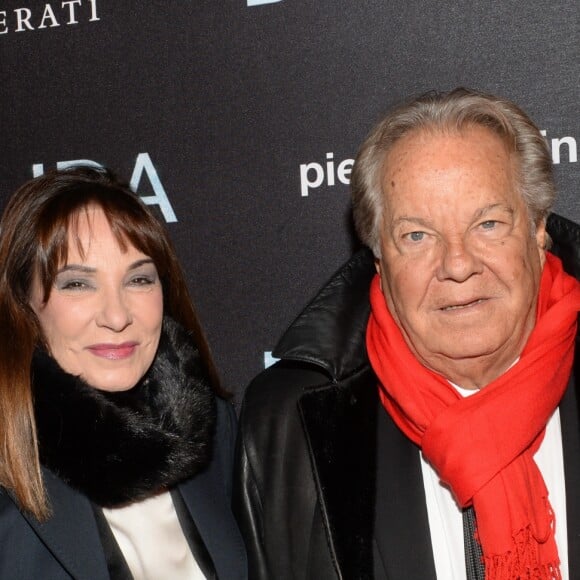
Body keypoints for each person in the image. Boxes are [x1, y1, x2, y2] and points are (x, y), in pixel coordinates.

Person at [234, 88, 580, 579]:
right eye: (416, 236)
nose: (457, 264)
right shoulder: (291, 422)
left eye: (487, 223)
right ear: (380, 259)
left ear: (538, 232)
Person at [0, 166, 247, 579]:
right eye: (77, 284)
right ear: (23, 306)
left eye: (138, 279)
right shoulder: (10, 458)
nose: (117, 316)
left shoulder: (214, 431)